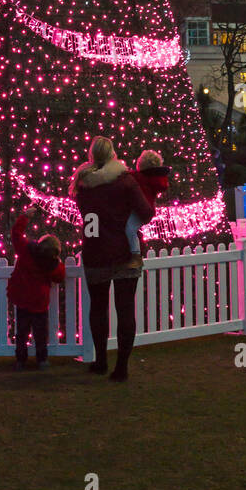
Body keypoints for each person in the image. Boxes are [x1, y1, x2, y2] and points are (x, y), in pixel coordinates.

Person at [71, 136, 154, 381]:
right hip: (125, 254)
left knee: (98, 308)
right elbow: (146, 213)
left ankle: (100, 361)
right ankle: (122, 367)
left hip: (95, 251)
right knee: (125, 309)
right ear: (113, 154)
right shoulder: (125, 182)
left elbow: (88, 219)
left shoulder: (83, 184)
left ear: (92, 155)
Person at [6, 204, 65, 370]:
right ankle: (42, 360)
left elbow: (16, 234)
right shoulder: (52, 265)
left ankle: (21, 360)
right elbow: (60, 277)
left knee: (22, 333)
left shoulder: (26, 251)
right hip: (39, 303)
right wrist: (59, 263)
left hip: (23, 299)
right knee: (40, 333)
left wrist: (25, 216)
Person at [124, 149, 169, 271]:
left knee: (129, 228)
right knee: (131, 228)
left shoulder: (142, 178)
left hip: (142, 209)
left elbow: (130, 177)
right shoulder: (154, 179)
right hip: (145, 209)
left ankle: (135, 255)